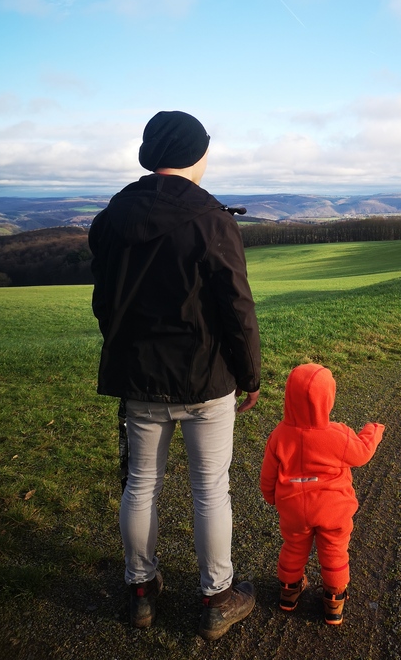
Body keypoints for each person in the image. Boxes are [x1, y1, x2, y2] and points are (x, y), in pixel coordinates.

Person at [88, 110, 261, 641]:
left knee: (141, 485)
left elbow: (104, 302)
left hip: (138, 377)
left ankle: (140, 590)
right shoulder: (211, 218)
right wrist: (249, 374)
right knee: (210, 489)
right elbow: (236, 305)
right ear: (194, 155)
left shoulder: (113, 216)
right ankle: (216, 596)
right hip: (205, 378)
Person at [260, 363, 384, 625]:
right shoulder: (337, 434)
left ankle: (289, 591)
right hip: (333, 509)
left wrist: (270, 496)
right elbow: (362, 453)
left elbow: (268, 474)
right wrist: (373, 429)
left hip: (293, 507)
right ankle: (334, 601)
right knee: (335, 551)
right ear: (327, 399)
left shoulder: (279, 435)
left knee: (293, 546)